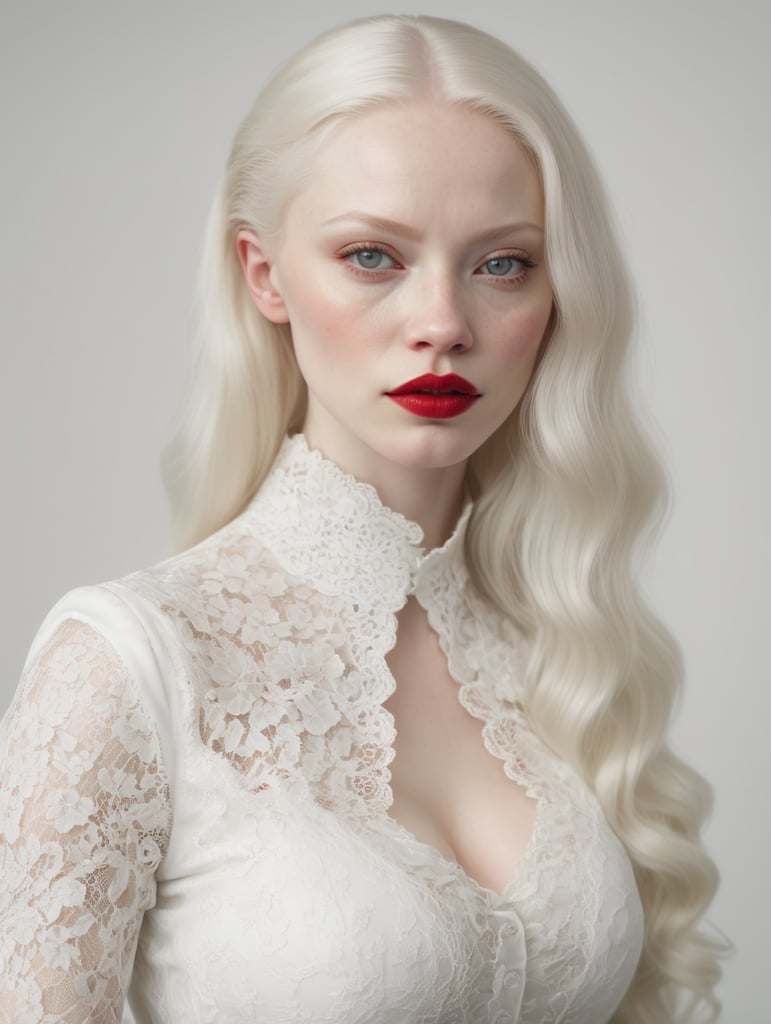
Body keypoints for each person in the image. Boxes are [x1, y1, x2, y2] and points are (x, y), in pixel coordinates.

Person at [0, 13, 724, 1023]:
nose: (443, 323)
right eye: (374, 255)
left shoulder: (563, 656)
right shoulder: (130, 665)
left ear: (561, 293)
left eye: (503, 262)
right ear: (265, 274)